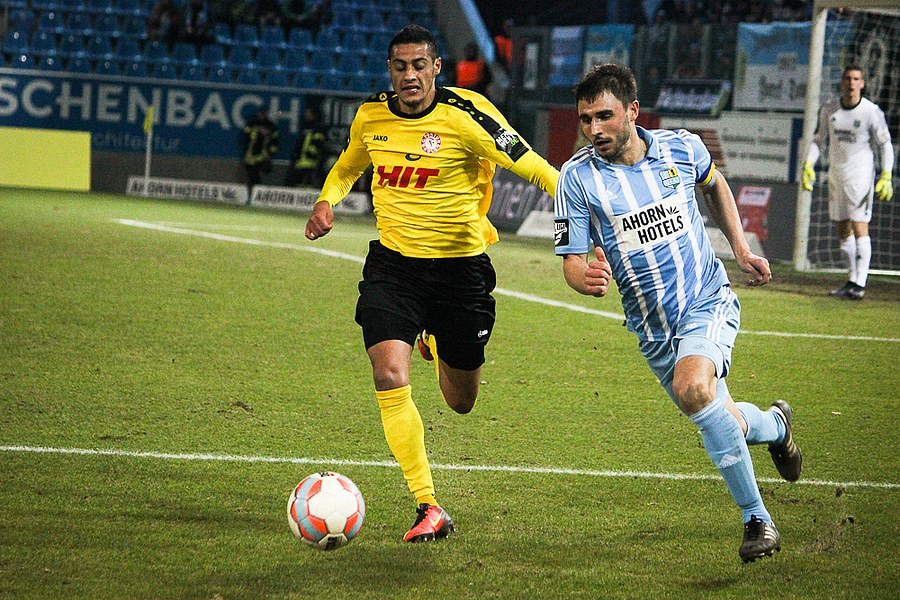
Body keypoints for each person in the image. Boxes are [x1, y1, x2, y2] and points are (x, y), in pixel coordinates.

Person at [304, 24, 558, 543]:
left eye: (419, 65)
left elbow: (533, 166)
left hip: (460, 272)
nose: (410, 76)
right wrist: (326, 200)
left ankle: (437, 338)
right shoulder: (371, 116)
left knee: (460, 401)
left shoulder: (468, 114)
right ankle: (428, 504)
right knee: (388, 374)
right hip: (394, 268)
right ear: (390, 70)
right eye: (400, 66)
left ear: (436, 68)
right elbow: (348, 166)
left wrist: (587, 211)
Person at [553, 64, 802, 563]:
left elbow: (715, 185)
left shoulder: (682, 148)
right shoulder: (577, 178)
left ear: (633, 111)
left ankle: (758, 520)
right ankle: (777, 425)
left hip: (705, 299)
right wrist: (585, 279)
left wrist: (740, 247)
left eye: (604, 116)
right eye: (585, 119)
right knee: (724, 418)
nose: (594, 129)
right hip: (653, 329)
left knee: (694, 389)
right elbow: (573, 261)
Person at [801, 64, 894, 300]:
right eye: (847, 78)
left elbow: (885, 144)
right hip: (836, 176)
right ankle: (852, 280)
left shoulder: (871, 111)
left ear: (862, 83)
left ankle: (859, 284)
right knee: (842, 228)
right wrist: (808, 164)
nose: (851, 83)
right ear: (842, 82)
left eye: (856, 79)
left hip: (860, 176)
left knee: (860, 225)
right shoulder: (829, 109)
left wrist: (886, 175)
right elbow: (818, 139)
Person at [284, 106, 328, 188]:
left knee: (307, 182)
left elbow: (318, 144)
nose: (307, 116)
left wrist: (311, 153)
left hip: (310, 162)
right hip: (299, 161)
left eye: (309, 114)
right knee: (297, 182)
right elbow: (299, 143)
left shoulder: (318, 128)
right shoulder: (304, 127)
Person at [241, 107, 280, 191]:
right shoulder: (252, 123)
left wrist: (270, 154)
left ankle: (255, 190)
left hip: (262, 155)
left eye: (263, 113)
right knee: (250, 174)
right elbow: (245, 136)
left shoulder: (270, 125)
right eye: (260, 113)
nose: (261, 115)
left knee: (256, 175)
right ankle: (251, 190)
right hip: (249, 154)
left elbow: (275, 141)